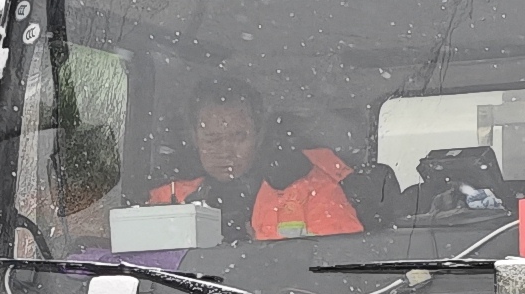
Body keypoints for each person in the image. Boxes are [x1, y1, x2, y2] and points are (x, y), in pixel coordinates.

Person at [142, 75, 363, 239]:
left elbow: (344, 268)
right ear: (194, 138)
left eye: (239, 137)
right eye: (212, 139)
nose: (226, 151)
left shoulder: (313, 193)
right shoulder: (166, 200)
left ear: (259, 135)